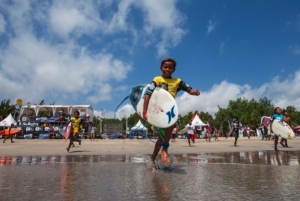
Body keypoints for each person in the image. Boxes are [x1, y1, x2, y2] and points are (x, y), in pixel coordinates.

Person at [143, 58, 200, 165]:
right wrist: (145, 112)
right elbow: (147, 94)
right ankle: (163, 151)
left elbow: (189, 90)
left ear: (174, 69)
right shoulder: (157, 79)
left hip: (169, 110)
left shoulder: (177, 81)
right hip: (157, 110)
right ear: (161, 68)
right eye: (165, 67)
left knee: (161, 137)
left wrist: (194, 92)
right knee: (163, 135)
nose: (168, 69)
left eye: (170, 67)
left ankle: (153, 160)